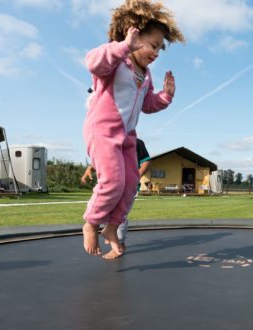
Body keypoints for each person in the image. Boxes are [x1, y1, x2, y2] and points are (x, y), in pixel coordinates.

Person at [82, 0, 184, 258]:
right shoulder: (116, 60)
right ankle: (92, 223)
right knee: (113, 181)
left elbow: (147, 104)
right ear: (134, 34)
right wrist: (123, 47)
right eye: (153, 45)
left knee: (131, 184)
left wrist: (166, 97)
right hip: (102, 130)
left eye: (160, 48)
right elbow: (93, 63)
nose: (156, 52)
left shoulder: (146, 75)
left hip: (127, 136)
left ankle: (112, 227)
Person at [81, 138, 151, 258]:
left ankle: (121, 243)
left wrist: (135, 177)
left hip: (128, 186)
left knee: (120, 213)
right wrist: (89, 169)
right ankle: (109, 231)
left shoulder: (136, 142)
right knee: (104, 207)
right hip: (112, 183)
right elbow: (102, 158)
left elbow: (146, 162)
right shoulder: (109, 139)